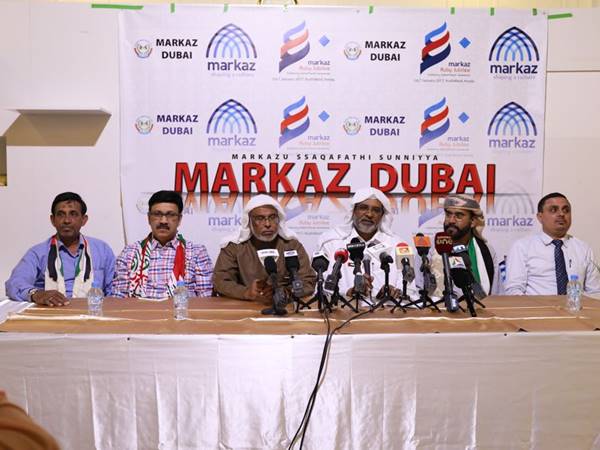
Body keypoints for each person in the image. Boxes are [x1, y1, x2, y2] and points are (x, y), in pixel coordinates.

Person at [5, 192, 115, 306]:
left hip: (92, 312)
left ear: (84, 220)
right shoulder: (38, 253)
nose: (67, 220)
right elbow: (14, 284)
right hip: (50, 313)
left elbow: (113, 291)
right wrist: (37, 294)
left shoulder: (102, 250)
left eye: (73, 214)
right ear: (53, 220)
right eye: (61, 215)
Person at [213, 195, 316, 302]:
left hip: (286, 307)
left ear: (279, 219)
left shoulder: (292, 246)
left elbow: (308, 281)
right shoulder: (234, 247)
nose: (267, 224)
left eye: (272, 217)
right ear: (249, 221)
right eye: (260, 218)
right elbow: (220, 281)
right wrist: (246, 292)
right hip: (246, 307)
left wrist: (284, 292)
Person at [318, 187, 416, 300]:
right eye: (363, 208)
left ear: (382, 215)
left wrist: (394, 292)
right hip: (345, 309)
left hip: (386, 309)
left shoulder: (399, 245)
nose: (369, 214)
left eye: (376, 210)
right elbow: (321, 287)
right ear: (353, 211)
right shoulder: (331, 242)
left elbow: (410, 287)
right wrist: (348, 292)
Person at [112, 190, 213, 298]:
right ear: (149, 218)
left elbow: (205, 299)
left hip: (181, 309)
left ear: (179, 219)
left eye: (170, 215)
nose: (163, 221)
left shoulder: (197, 253)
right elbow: (119, 298)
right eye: (157, 214)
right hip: (139, 309)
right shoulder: (129, 253)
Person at [505, 192, 600, 295]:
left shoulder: (583, 249)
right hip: (534, 305)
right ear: (540, 217)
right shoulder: (522, 247)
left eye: (566, 210)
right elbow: (514, 290)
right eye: (553, 210)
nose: (561, 214)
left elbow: (595, 291)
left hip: (574, 305)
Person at [438, 194, 501, 295]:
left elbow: (496, 294)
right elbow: (417, 290)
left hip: (480, 305)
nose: (451, 221)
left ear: (473, 222)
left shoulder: (486, 251)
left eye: (459, 216)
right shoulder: (429, 249)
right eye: (448, 215)